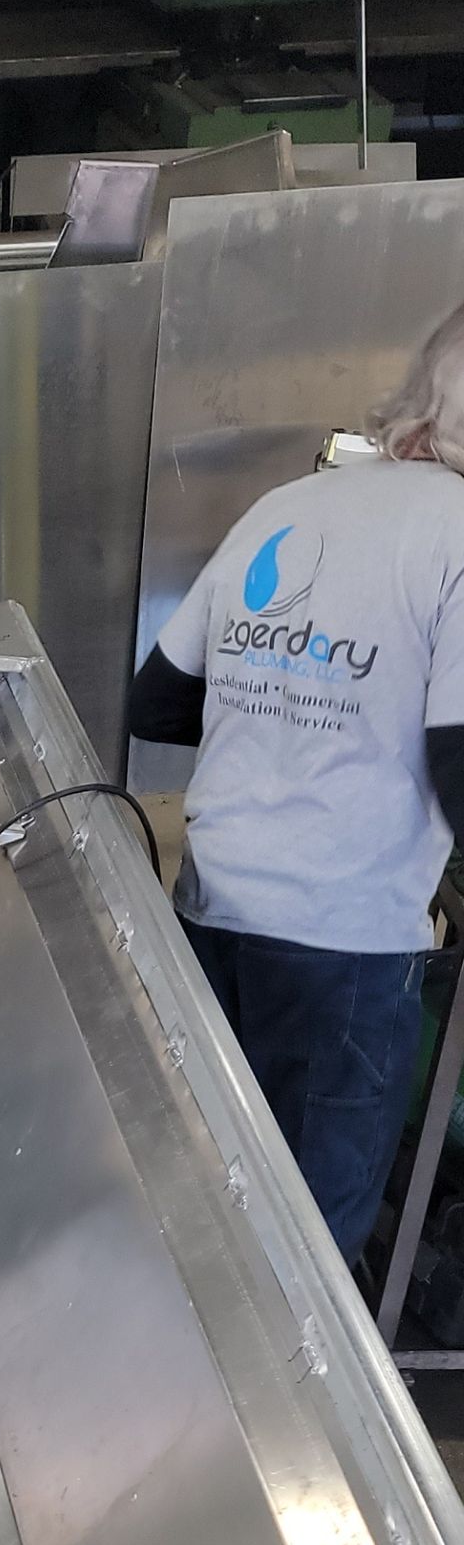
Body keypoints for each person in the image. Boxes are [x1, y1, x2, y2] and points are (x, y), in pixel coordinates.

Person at [129, 303, 464, 1262]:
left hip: (209, 918)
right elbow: (459, 759)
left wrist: (285, 714)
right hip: (343, 949)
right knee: (302, 1256)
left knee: (198, 1202)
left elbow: (159, 703)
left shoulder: (287, 507)